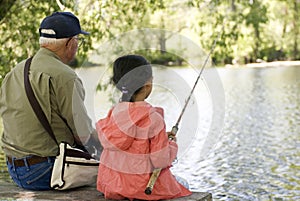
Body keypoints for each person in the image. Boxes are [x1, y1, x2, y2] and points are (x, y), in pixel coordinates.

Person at [0, 12, 101, 190]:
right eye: (78, 40)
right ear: (70, 42)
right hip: (46, 172)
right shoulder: (66, 77)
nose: (77, 45)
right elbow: (83, 135)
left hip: (14, 169)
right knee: (118, 172)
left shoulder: (15, 71)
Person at [96, 55, 192, 200]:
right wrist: (171, 145)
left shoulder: (114, 113)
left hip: (110, 186)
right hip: (141, 188)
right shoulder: (153, 118)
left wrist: (161, 139)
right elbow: (160, 161)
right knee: (184, 183)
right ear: (148, 84)